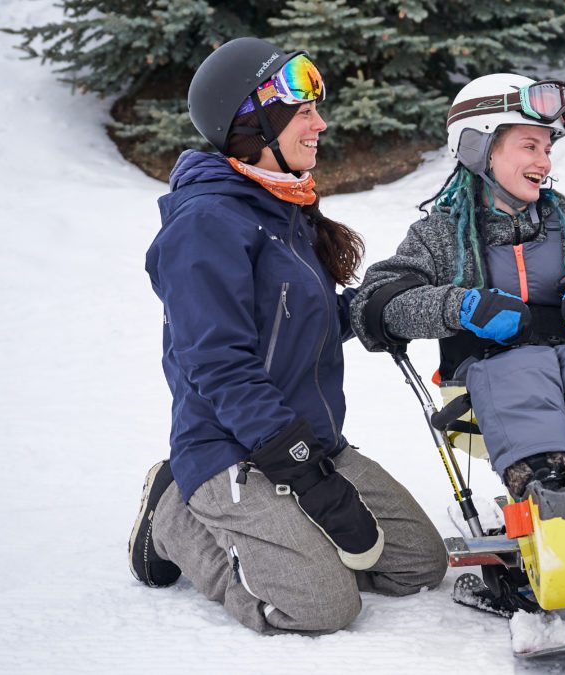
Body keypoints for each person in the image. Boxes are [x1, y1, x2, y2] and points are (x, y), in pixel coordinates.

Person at [129, 37, 447, 635]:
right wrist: (301, 471)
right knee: (323, 607)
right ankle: (174, 514)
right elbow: (221, 367)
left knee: (418, 565)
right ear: (255, 121)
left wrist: (381, 309)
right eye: (304, 113)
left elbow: (300, 325)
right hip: (233, 451)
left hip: (312, 443)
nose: (320, 124)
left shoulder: (284, 210)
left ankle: (288, 536)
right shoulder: (206, 225)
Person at [350, 73, 565, 499]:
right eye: (530, 146)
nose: (545, 162)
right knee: (524, 368)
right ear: (480, 149)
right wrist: (460, 305)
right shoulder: (441, 235)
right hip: (486, 378)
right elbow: (375, 306)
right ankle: (544, 477)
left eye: (547, 149)